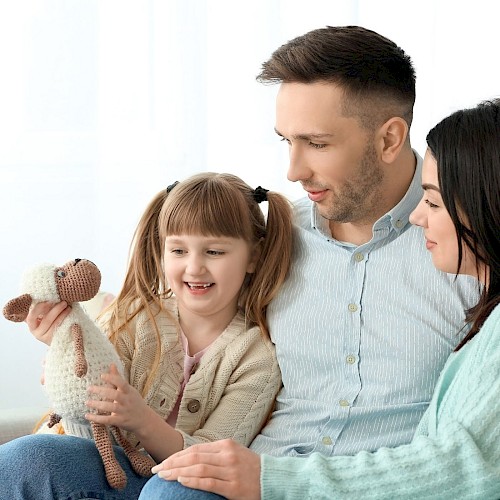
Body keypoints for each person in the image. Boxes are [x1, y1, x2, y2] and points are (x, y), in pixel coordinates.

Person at [135, 25, 480, 499]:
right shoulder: (274, 237)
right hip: (251, 469)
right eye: (286, 141)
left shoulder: (465, 246)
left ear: (389, 139)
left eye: (316, 144)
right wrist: (85, 344)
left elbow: (468, 455)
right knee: (34, 462)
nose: (293, 171)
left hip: (365, 485)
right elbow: (195, 318)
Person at [0, 172, 293, 499]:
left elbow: (213, 458)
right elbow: (87, 433)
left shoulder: (258, 356)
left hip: (184, 485)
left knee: (170, 492)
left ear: (253, 256)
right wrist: (63, 351)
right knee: (26, 456)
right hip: (110, 473)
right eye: (179, 250)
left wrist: (141, 419)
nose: (194, 267)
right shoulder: (132, 317)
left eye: (214, 252)